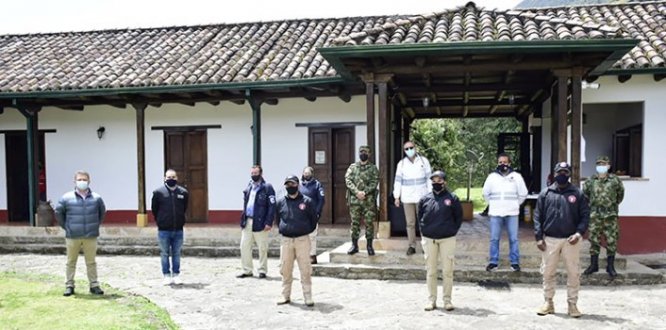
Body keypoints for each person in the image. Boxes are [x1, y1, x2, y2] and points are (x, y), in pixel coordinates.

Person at [534, 162, 589, 318]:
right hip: (550, 240)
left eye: (565, 172)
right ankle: (548, 302)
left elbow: (585, 216)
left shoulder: (577, 193)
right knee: (547, 272)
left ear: (569, 174)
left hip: (571, 240)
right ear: (554, 173)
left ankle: (572, 304)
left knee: (573, 273)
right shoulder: (545, 193)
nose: (562, 174)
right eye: (559, 172)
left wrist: (579, 233)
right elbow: (537, 216)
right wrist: (539, 237)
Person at [55, 170, 106, 297]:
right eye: (79, 179)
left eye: (84, 179)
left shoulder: (96, 198)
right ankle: (69, 285)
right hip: (73, 235)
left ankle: (94, 285)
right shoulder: (66, 198)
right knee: (71, 261)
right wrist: (67, 227)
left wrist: (94, 225)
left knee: (91, 262)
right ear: (75, 181)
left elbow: (102, 213)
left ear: (89, 181)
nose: (82, 182)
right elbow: (58, 213)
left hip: (90, 235)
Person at [418, 170, 463, 311]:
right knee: (431, 271)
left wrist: (451, 231)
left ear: (445, 182)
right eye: (434, 181)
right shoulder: (424, 199)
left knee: (447, 271)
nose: (436, 183)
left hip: (447, 239)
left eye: (439, 181)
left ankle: (447, 300)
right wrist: (425, 231)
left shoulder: (452, 198)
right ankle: (431, 300)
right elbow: (420, 218)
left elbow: (459, 218)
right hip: (429, 239)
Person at [276, 175, 318, 306]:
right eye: (288, 185)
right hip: (286, 241)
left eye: (293, 184)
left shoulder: (307, 202)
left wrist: (303, 230)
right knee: (285, 269)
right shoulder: (280, 202)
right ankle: (285, 295)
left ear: (298, 185)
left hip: (302, 240)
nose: (290, 187)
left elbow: (313, 221)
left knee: (305, 269)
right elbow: (277, 220)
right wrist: (286, 229)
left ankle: (308, 297)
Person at [482, 153, 528, 272]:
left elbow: (523, 193)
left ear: (509, 163)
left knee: (513, 239)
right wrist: (493, 204)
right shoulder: (491, 177)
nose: (503, 164)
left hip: (512, 213)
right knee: (494, 239)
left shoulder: (516, 177)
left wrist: (515, 204)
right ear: (497, 163)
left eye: (505, 162)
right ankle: (493, 262)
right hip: (496, 213)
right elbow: (485, 193)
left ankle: (514, 263)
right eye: (500, 162)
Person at [582, 155, 625, 278]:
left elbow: (620, 195)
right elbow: (585, 195)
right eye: (599, 164)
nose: (602, 166)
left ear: (609, 166)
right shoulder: (590, 181)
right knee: (594, 239)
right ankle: (593, 265)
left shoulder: (615, 180)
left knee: (612, 240)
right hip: (595, 214)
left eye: (604, 164)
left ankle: (610, 266)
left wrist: (611, 206)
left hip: (610, 214)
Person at [393, 141, 432, 255]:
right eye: (406, 149)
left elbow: (429, 179)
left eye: (411, 147)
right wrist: (397, 196)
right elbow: (398, 181)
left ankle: (426, 246)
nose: (409, 150)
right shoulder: (402, 164)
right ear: (404, 151)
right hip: (407, 197)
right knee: (410, 223)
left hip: (422, 197)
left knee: (423, 222)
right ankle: (412, 246)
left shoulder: (424, 162)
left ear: (415, 148)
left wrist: (430, 195)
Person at [151, 169, 189, 285]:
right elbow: (154, 209)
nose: (171, 179)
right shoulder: (158, 192)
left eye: (173, 177)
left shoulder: (183, 192)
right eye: (168, 177)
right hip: (164, 230)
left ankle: (176, 275)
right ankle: (166, 275)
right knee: (164, 253)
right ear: (164, 178)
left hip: (178, 229)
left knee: (176, 253)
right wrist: (161, 221)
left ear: (177, 178)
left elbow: (184, 208)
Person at [238, 165, 276, 279]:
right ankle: (247, 270)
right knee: (244, 246)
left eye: (256, 173)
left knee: (262, 247)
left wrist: (269, 222)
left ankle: (262, 270)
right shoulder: (249, 186)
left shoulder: (267, 187)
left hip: (261, 222)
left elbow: (272, 206)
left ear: (261, 174)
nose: (254, 175)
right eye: (252, 173)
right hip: (248, 221)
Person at [344, 145, 379, 255]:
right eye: (361, 151)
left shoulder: (373, 168)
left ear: (369, 154)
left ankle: (369, 246)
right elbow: (348, 180)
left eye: (365, 152)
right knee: (355, 223)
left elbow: (375, 182)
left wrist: (365, 192)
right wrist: (357, 192)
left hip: (368, 201)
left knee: (369, 223)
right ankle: (354, 245)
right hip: (355, 201)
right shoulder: (353, 167)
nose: (363, 153)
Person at [299, 166, 325, 264]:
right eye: (305, 173)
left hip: (312, 214)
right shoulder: (300, 185)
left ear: (312, 174)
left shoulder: (317, 185)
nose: (306, 175)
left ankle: (312, 256)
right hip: (302, 214)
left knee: (312, 236)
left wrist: (317, 212)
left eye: (308, 173)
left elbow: (321, 200)